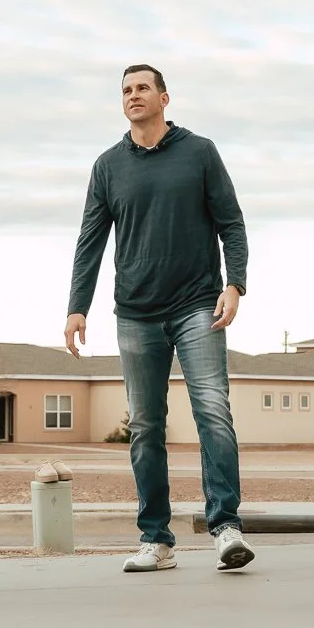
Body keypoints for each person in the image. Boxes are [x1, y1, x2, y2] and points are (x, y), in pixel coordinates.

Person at [64, 65, 253, 574]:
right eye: (126, 90)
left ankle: (226, 527)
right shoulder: (108, 166)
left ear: (164, 98)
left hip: (198, 305)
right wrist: (76, 305)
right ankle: (156, 539)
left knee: (213, 411)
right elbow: (91, 240)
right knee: (145, 426)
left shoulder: (200, 153)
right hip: (136, 313)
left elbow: (231, 223)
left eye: (142, 88)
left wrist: (234, 284)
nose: (133, 96)